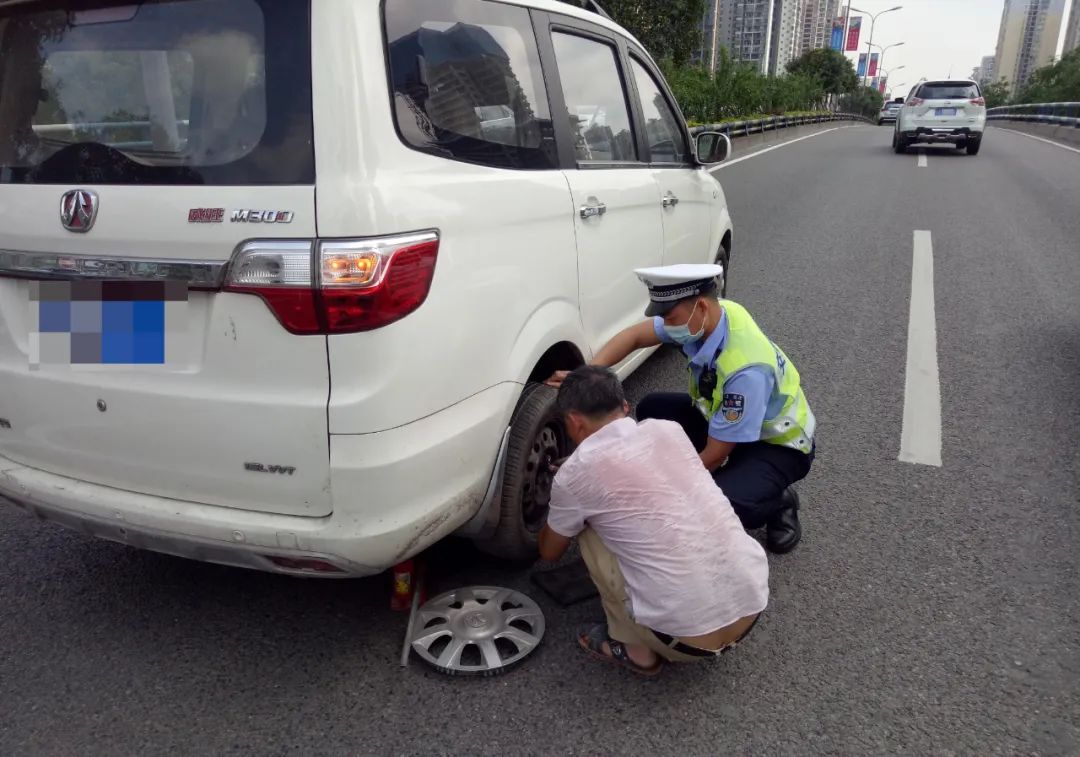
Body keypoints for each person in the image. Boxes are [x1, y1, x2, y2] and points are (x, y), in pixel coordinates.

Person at [548, 263, 815, 553]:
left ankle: (778, 502)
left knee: (722, 503)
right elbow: (634, 337)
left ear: (700, 306)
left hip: (777, 444)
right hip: (727, 421)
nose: (666, 324)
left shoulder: (746, 372)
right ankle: (735, 477)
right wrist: (585, 374)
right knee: (654, 408)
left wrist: (650, 493)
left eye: (669, 316)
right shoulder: (711, 315)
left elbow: (713, 456)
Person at [538, 365, 768, 676]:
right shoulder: (667, 430)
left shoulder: (575, 475)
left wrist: (568, 493)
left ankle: (636, 651)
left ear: (574, 421)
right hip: (751, 606)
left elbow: (549, 552)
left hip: (686, 641)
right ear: (625, 407)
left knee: (587, 531)